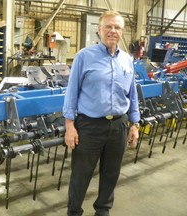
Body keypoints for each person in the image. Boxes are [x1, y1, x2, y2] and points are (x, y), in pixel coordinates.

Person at [62, 10, 141, 216]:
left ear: (122, 32)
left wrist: (135, 123)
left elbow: (132, 93)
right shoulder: (84, 57)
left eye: (117, 27)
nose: (112, 31)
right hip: (89, 126)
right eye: (108, 26)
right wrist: (69, 126)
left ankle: (103, 211)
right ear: (99, 30)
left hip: (119, 126)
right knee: (81, 174)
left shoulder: (127, 60)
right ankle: (74, 211)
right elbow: (71, 94)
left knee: (111, 173)